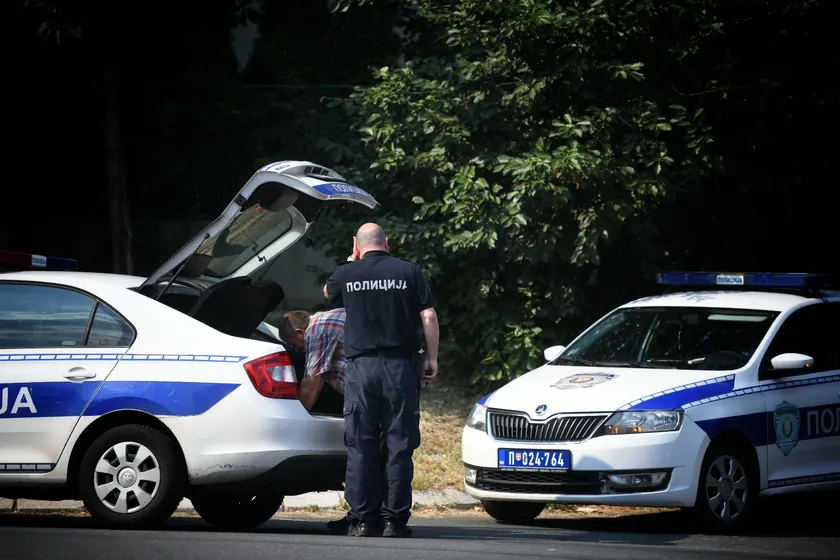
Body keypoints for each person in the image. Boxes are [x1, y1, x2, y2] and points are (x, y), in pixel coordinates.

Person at [322, 222, 439, 538]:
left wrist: (351, 260)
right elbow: (428, 316)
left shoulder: (348, 272)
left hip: (361, 369)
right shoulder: (409, 271)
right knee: (399, 443)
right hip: (401, 367)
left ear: (358, 245)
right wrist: (432, 357)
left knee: (361, 443)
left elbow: (326, 292)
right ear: (387, 243)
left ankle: (362, 521)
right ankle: (394, 522)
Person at [279, 308, 347, 412]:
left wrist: (299, 418)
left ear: (300, 333)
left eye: (293, 344)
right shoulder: (328, 317)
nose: (298, 349)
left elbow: (310, 385)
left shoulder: (315, 331)